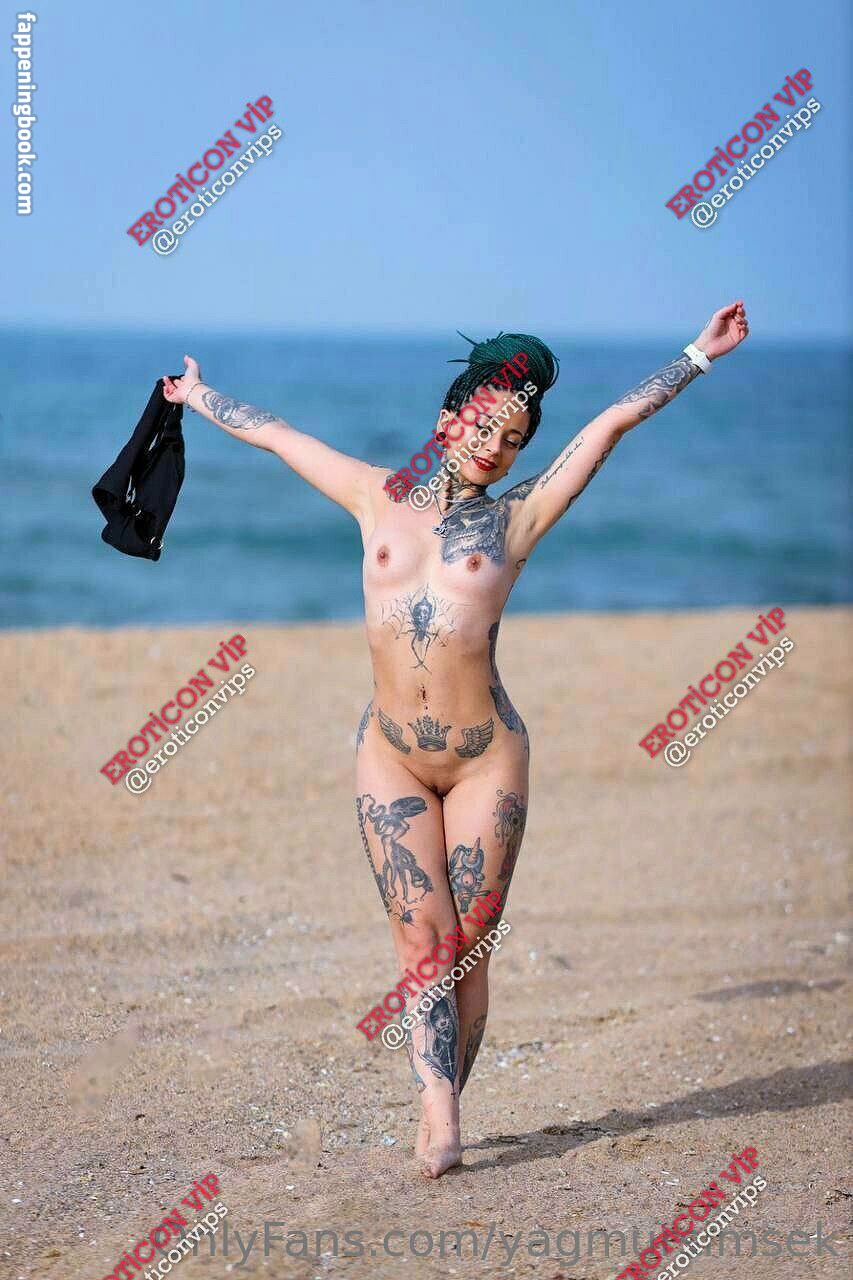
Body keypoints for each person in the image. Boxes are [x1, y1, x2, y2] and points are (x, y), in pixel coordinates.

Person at [162, 301, 749, 1178]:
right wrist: (197, 396)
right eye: (484, 425)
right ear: (448, 419)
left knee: (466, 945)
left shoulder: (518, 518)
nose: (495, 446)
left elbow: (607, 426)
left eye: (512, 439)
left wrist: (698, 354)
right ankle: (440, 1121)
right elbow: (279, 436)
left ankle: (443, 1098)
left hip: (485, 761)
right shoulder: (375, 496)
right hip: (389, 754)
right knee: (422, 942)